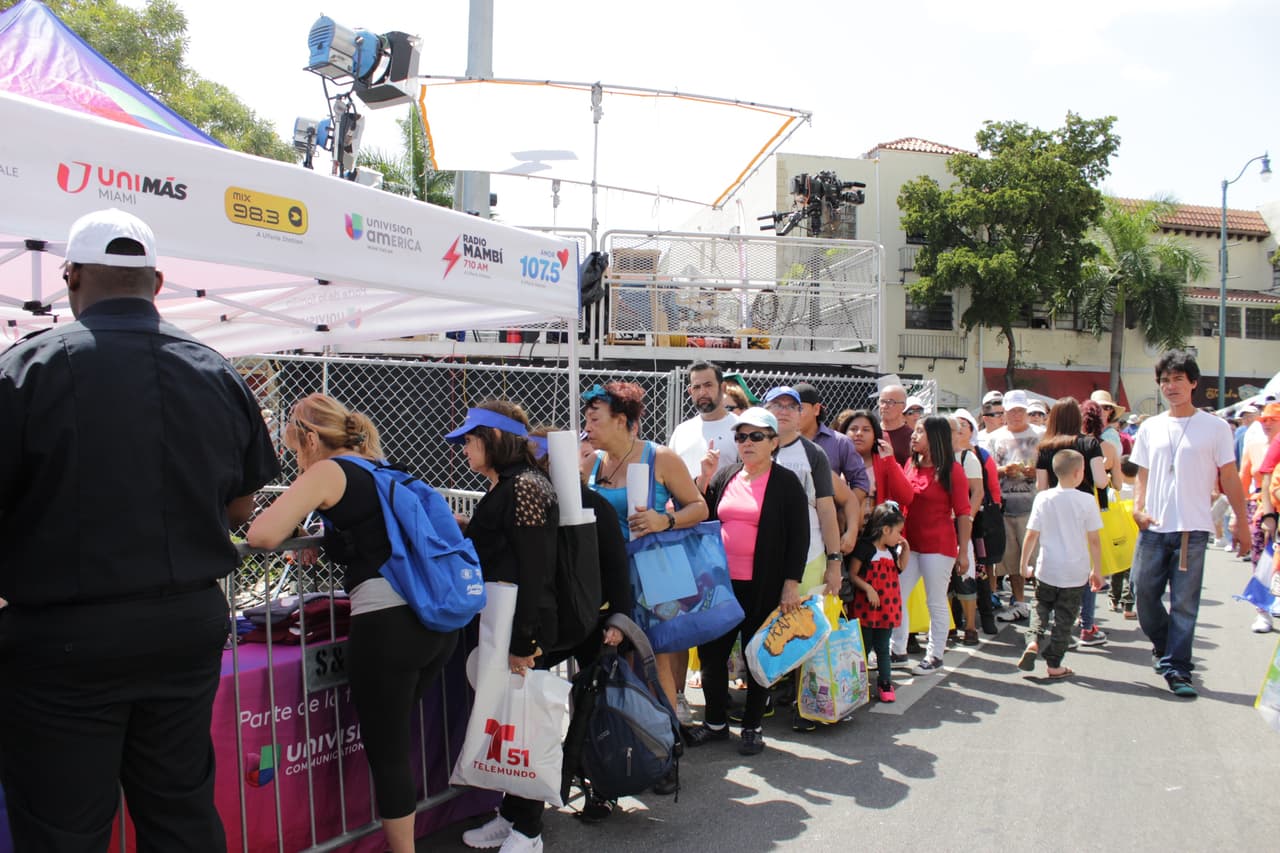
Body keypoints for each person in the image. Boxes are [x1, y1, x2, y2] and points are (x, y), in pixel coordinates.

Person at [0, 208, 279, 851]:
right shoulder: (215, 372)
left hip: (64, 638)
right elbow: (241, 505)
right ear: (156, 285)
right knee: (179, 811)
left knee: (64, 825)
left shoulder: (27, 369)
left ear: (70, 279)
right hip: (183, 628)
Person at [248, 395, 457, 853]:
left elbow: (260, 533)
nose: (293, 458)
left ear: (308, 437)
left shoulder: (328, 472)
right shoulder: (383, 468)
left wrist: (299, 519)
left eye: (294, 448)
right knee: (395, 737)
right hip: (436, 622)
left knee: (388, 751)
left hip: (387, 625)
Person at [582, 380, 707, 794]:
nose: (587, 423)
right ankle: (622, 745)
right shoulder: (594, 462)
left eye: (594, 416)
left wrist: (663, 520)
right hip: (605, 580)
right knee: (615, 665)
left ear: (622, 421)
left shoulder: (661, 457)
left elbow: (699, 507)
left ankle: (667, 751)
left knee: (658, 667)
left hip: (653, 575)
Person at [448, 401, 562, 852]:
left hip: (522, 624)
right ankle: (512, 816)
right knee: (506, 719)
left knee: (522, 720)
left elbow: (536, 570)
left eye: (470, 441)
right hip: (504, 618)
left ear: (494, 439)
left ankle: (528, 831)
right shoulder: (509, 486)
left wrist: (524, 642)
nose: (464, 451)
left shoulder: (526, 487)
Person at [684, 408, 810, 757]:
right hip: (720, 585)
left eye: (756, 436)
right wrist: (704, 479)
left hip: (763, 585)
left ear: (773, 442)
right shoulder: (726, 475)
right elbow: (702, 515)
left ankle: (753, 726)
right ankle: (715, 724)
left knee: (757, 656)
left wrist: (791, 584)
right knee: (711, 656)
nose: (747, 443)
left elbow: (799, 538)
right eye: (741, 437)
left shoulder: (786, 483)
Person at [1131, 350, 1249, 698]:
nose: (1170, 386)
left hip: (1192, 530)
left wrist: (1241, 522)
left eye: (1178, 379)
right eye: (1165, 380)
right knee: (1142, 596)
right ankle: (1166, 645)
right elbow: (1142, 474)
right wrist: (1138, 509)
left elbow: (1229, 475)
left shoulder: (1215, 428)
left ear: (1194, 383)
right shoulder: (1150, 427)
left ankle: (1177, 668)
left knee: (1184, 604)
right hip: (1152, 528)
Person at [666, 361, 738, 724]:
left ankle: (722, 692)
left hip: (723, 539)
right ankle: (678, 696)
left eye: (707, 385)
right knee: (680, 620)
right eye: (695, 387)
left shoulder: (741, 428)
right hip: (681, 535)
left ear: (722, 387)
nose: (700, 393)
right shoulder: (682, 431)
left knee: (719, 620)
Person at [889, 416, 972, 674]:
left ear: (934, 437)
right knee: (897, 595)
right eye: (914, 431)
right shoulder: (910, 464)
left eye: (920, 432)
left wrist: (964, 552)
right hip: (909, 544)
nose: (913, 436)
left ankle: (935, 656)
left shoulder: (952, 470)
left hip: (939, 545)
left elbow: (963, 512)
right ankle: (897, 651)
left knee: (935, 601)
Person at [1016, 449, 1104, 678]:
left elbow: (1031, 534)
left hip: (1047, 567)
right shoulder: (1086, 500)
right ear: (1078, 473)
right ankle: (1054, 664)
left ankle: (1033, 640)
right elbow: (1094, 540)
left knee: (1040, 606)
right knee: (1065, 618)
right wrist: (1098, 570)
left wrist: (1023, 564)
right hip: (1075, 571)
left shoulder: (1043, 498)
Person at [1034, 398, 1112, 647]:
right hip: (1084, 508)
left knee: (1056, 563)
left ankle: (1058, 626)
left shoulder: (1044, 447)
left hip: (1053, 508)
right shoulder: (1089, 443)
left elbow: (1041, 486)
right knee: (1086, 566)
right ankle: (1086, 625)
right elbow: (1101, 481)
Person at [986, 389, 1043, 622]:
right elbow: (988, 468)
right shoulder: (994, 437)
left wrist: (1034, 471)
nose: (1017, 415)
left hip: (1034, 505)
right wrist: (1004, 470)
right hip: (1005, 505)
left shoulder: (1041, 434)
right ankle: (1019, 601)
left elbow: (1049, 466)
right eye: (1012, 411)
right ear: (1004, 413)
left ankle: (1042, 605)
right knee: (1012, 559)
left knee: (1038, 559)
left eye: (1021, 410)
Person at [845, 502, 909, 702]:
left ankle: (885, 682)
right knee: (862, 646)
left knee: (883, 646)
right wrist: (868, 588)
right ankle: (858, 683)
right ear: (885, 529)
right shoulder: (865, 548)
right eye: (898, 532)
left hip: (886, 609)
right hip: (866, 610)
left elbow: (900, 568)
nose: (900, 536)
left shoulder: (891, 551)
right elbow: (853, 575)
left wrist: (905, 548)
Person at [794, 382, 870, 551]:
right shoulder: (780, 443)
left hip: (829, 531)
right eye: (790, 408)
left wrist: (845, 514)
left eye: (799, 408)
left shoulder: (840, 442)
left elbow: (861, 483)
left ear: (816, 409)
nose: (794, 414)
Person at [949, 410, 985, 645]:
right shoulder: (936, 456)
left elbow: (978, 493)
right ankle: (949, 626)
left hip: (960, 524)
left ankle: (970, 627)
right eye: (955, 426)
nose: (959, 429)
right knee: (944, 580)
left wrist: (967, 520)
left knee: (965, 575)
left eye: (963, 425)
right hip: (941, 523)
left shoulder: (967, 458)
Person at [877, 384, 913, 466]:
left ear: (903, 406)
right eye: (882, 401)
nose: (884, 406)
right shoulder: (871, 432)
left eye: (891, 402)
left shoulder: (911, 437)